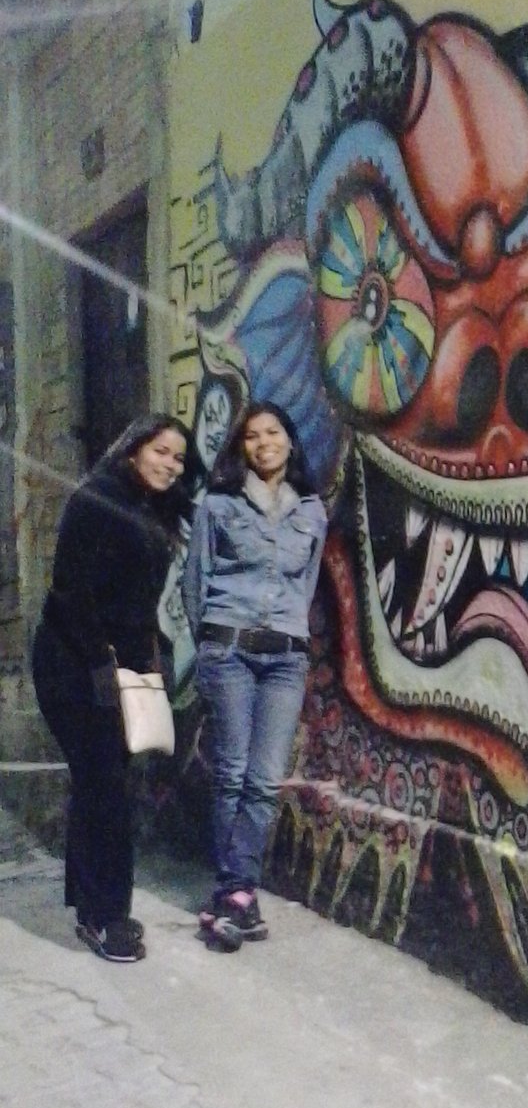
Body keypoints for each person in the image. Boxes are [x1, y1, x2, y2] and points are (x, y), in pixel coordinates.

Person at [32, 413, 190, 962]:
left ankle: (89, 906)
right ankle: (107, 916)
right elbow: (71, 591)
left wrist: (151, 658)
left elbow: (139, 602)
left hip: (117, 664)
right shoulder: (97, 497)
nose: (171, 464)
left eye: (179, 458)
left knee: (100, 781)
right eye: (162, 451)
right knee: (106, 787)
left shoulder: (153, 510)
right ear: (133, 448)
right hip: (71, 661)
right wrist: (103, 668)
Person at [182, 400, 327, 946]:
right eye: (251, 435)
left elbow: (304, 586)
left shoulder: (311, 511)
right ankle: (238, 891)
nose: (263, 442)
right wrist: (213, 644)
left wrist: (291, 635)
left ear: (289, 440)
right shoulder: (217, 505)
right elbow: (196, 584)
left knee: (265, 780)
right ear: (240, 447)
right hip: (231, 652)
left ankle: (229, 897)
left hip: (285, 658)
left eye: (272, 432)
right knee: (233, 771)